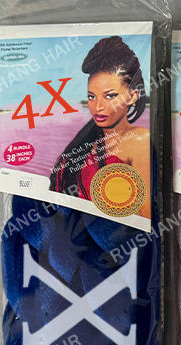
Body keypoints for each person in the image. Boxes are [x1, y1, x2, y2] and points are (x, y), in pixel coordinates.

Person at [50, 36, 150, 219]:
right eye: (91, 97)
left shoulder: (139, 140)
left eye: (110, 96)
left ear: (133, 96)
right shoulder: (85, 143)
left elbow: (146, 219)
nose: (98, 107)